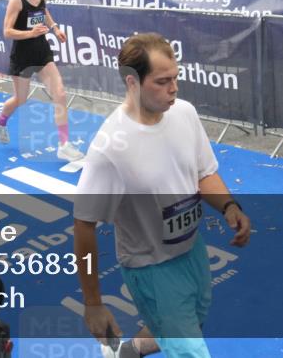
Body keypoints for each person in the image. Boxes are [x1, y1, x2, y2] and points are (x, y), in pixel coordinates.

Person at [74, 33, 250, 358]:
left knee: (185, 323)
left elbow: (204, 173)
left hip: (193, 251)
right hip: (151, 268)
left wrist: (228, 205)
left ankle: (125, 353)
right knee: (189, 349)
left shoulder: (185, 114)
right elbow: (84, 224)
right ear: (132, 82)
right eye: (162, 81)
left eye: (175, 78)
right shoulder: (110, 147)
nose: (174, 88)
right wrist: (93, 303)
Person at [0, 0, 83, 162]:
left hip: (42, 52)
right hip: (22, 56)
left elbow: (44, 11)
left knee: (60, 94)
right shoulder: (16, 0)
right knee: (21, 99)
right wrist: (30, 33)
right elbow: (7, 31)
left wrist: (55, 28)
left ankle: (64, 145)